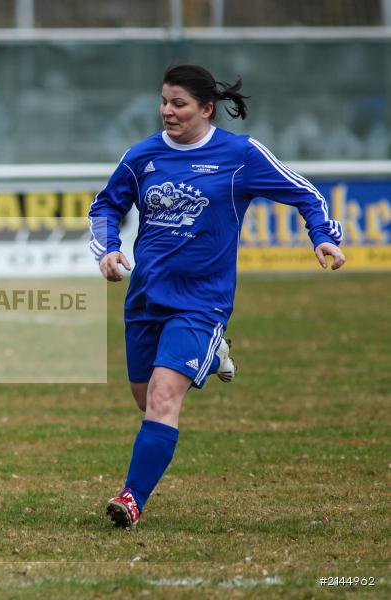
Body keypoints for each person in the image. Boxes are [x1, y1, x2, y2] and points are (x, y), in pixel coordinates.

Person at [88, 65, 346, 530]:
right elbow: (106, 204)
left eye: (179, 104)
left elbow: (305, 193)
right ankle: (213, 356)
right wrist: (108, 250)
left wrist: (322, 236)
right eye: (164, 102)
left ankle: (131, 499)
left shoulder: (240, 155)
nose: (168, 111)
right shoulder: (142, 156)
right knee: (146, 399)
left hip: (202, 302)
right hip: (146, 296)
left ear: (206, 109)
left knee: (165, 399)